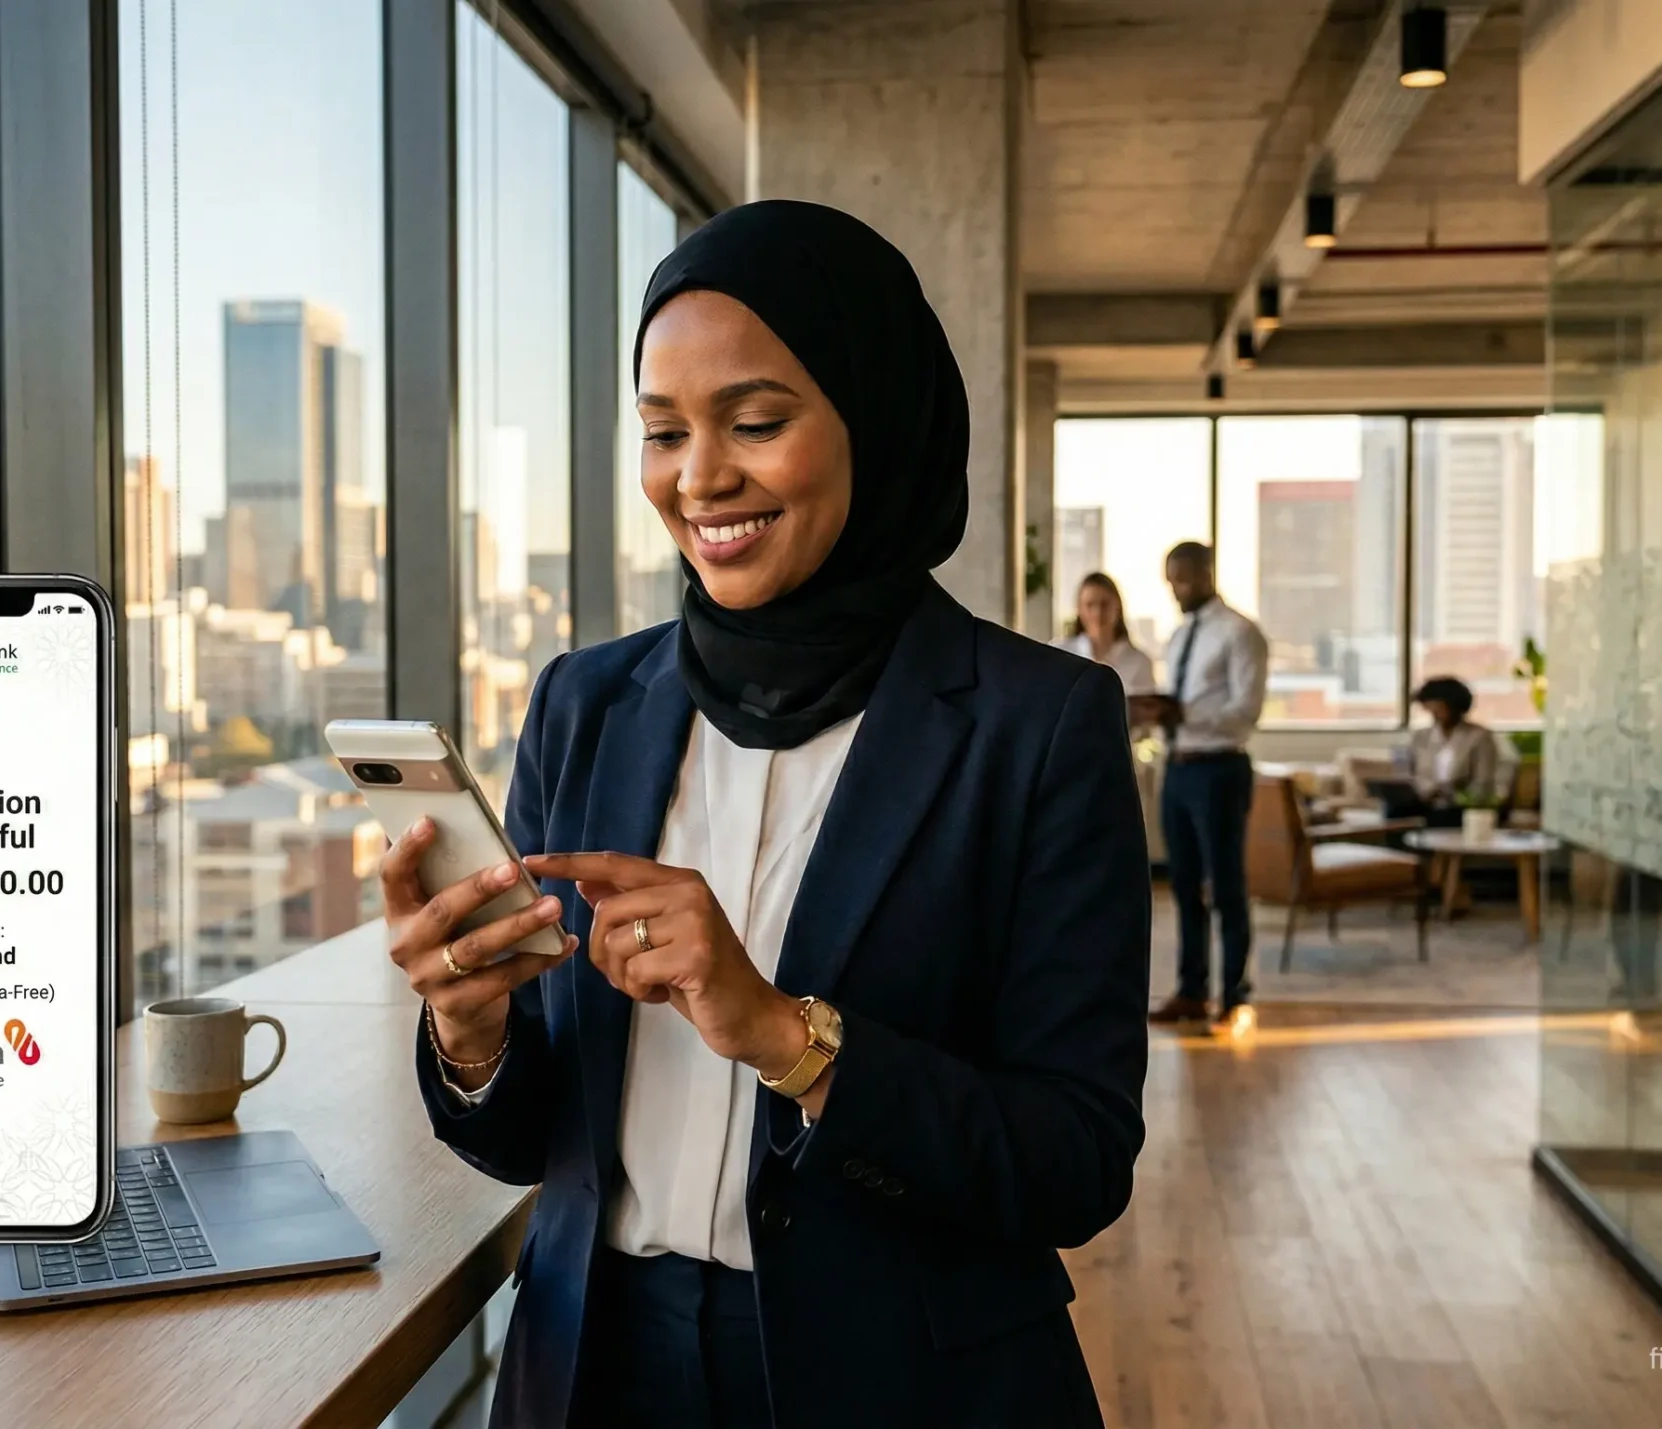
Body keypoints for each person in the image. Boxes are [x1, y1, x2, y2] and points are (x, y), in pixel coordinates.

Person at [380, 200, 1150, 1429]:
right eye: (663, 431)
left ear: (874, 419)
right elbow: (533, 1144)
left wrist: (789, 1036)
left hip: (905, 1385)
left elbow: (1074, 1159)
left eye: (754, 422)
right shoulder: (586, 702)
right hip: (591, 1369)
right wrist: (470, 1033)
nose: (700, 479)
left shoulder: (1038, 723)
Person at [1137, 542, 1269, 1026]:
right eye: (1171, 580)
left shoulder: (1240, 633)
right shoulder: (1180, 636)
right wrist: (1159, 712)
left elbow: (1245, 712)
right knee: (1184, 885)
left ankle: (1235, 998)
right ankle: (1191, 992)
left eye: (1185, 579)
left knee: (1226, 886)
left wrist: (1185, 713)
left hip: (1219, 770)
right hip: (1179, 768)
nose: (1177, 589)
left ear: (1208, 574)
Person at [1406, 675, 1501, 822]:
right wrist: (1427, 793)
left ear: (1454, 705)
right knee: (1397, 811)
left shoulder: (1479, 737)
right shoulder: (1421, 737)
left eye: (1439, 706)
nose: (1434, 711)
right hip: (1423, 802)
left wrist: (1452, 798)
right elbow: (1413, 774)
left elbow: (1483, 783)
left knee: (1442, 817)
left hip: (1460, 806)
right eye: (1430, 706)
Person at [1054, 571, 1157, 703]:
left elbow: (1147, 716)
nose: (1098, 613)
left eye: (1105, 604)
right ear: (1079, 610)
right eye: (1090, 605)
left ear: (1118, 607)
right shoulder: (1061, 653)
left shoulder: (1140, 662)